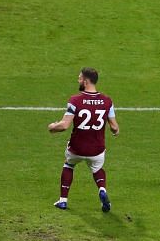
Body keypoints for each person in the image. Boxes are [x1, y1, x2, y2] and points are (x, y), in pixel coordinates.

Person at [48, 67, 120, 212]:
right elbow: (114, 126)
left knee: (69, 164)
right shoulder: (107, 101)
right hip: (97, 150)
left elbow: (64, 125)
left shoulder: (75, 100)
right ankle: (102, 189)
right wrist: (115, 131)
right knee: (97, 168)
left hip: (77, 148)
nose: (78, 80)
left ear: (86, 81)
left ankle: (63, 200)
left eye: (80, 78)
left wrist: (52, 127)